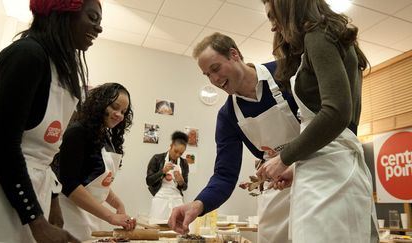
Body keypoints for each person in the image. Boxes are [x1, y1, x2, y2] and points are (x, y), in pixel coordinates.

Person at [257, 1, 379, 242]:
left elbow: (336, 113)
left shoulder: (317, 36)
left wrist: (284, 158)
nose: (272, 26)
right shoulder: (330, 37)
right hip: (334, 165)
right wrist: (298, 166)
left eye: (273, 16)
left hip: (330, 174)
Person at [0, 0, 102, 242]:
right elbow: (2, 147)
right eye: (92, 17)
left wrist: (53, 198)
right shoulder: (26, 55)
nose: (99, 29)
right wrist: (35, 219)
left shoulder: (59, 70)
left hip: (33, 189)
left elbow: (46, 152)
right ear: (62, 11)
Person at [168, 32, 300, 243]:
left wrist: (294, 164)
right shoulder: (228, 116)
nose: (214, 80)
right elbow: (225, 175)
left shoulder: (287, 71)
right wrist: (198, 204)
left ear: (234, 54)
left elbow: (327, 122)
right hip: (277, 191)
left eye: (215, 69)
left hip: (315, 172)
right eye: (207, 75)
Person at [58, 83, 136, 240]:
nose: (119, 114)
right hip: (69, 213)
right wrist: (110, 216)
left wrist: (118, 204)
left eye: (123, 111)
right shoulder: (77, 132)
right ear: (100, 103)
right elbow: (69, 184)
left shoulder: (104, 136)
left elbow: (96, 182)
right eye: (115, 107)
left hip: (90, 215)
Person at [146, 131, 190, 224]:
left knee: (177, 227)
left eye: (181, 153)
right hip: (160, 200)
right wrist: (162, 172)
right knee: (157, 227)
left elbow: (185, 187)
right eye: (176, 151)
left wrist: (181, 181)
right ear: (171, 146)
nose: (177, 155)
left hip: (177, 200)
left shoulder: (184, 163)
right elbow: (149, 181)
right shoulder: (157, 158)